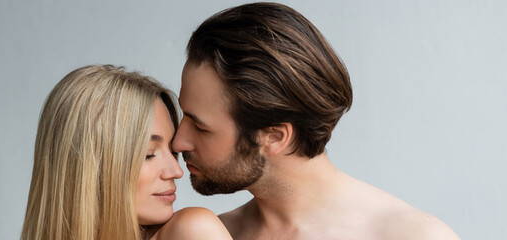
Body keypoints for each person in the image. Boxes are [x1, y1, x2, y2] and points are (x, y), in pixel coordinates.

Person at [173, 2, 460, 239]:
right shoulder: (212, 234)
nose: (178, 142)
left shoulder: (413, 235)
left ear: (275, 136)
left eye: (200, 127)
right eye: (184, 115)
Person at [20, 65, 232, 240]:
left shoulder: (192, 231)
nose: (177, 171)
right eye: (149, 154)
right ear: (89, 169)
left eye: (170, 150)